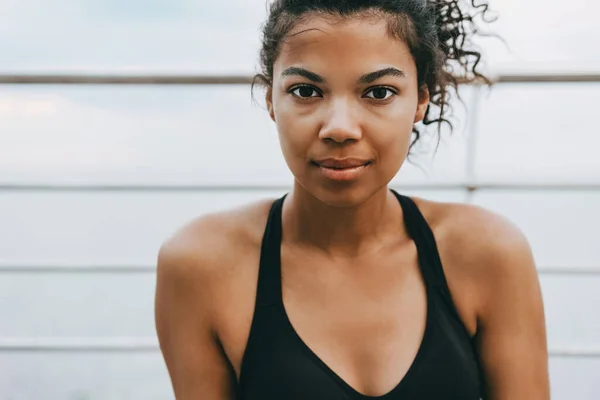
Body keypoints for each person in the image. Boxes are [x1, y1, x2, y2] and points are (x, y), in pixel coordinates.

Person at [154, 0, 549, 399]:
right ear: (271, 99)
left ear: (420, 101)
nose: (340, 128)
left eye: (378, 92)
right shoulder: (200, 266)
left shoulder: (489, 253)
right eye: (306, 91)